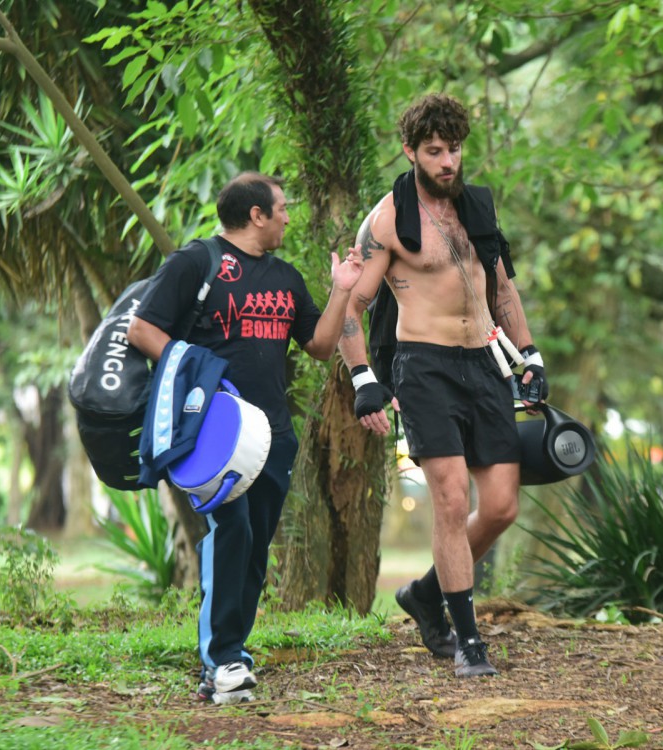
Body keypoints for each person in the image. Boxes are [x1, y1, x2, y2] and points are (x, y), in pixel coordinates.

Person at [128, 172, 363, 704]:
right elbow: (142, 329)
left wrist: (341, 291)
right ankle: (224, 661)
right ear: (256, 214)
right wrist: (196, 376)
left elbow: (321, 345)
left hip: (273, 435)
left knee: (255, 546)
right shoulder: (198, 262)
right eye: (281, 208)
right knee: (230, 529)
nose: (287, 215)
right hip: (214, 433)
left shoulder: (285, 276)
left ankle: (231, 655)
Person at [338, 94, 548, 678]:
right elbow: (353, 307)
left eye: (454, 149)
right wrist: (365, 380)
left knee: (501, 507)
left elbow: (501, 288)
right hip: (423, 367)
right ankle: (468, 640)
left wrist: (528, 353)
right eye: (434, 152)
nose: (448, 161)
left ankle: (425, 595)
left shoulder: (476, 206)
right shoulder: (388, 221)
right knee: (453, 499)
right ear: (410, 152)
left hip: (485, 364)